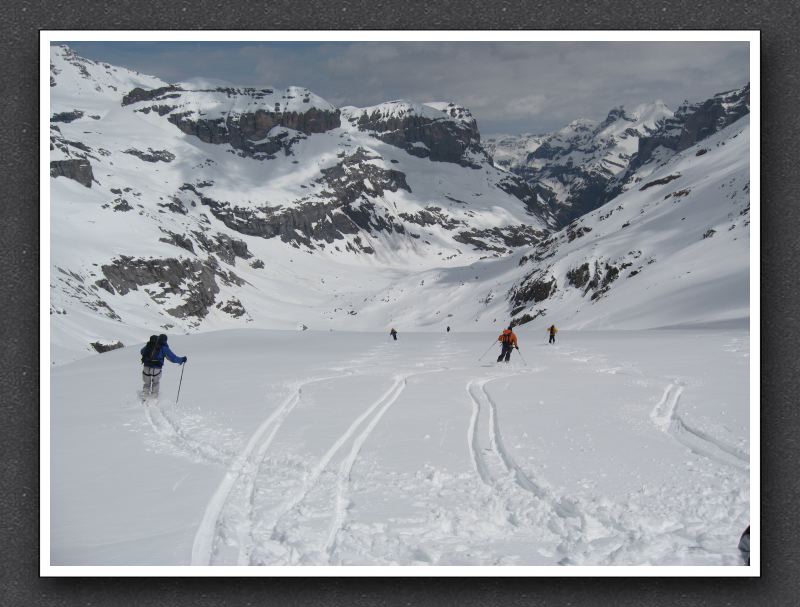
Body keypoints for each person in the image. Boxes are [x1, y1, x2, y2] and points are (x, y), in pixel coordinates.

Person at [140, 334, 187, 399]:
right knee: (155, 383)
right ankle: (153, 398)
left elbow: (142, 351)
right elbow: (173, 358)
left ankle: (144, 397)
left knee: (147, 383)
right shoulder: (164, 347)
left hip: (146, 367)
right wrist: (182, 360)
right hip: (156, 369)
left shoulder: (150, 345)